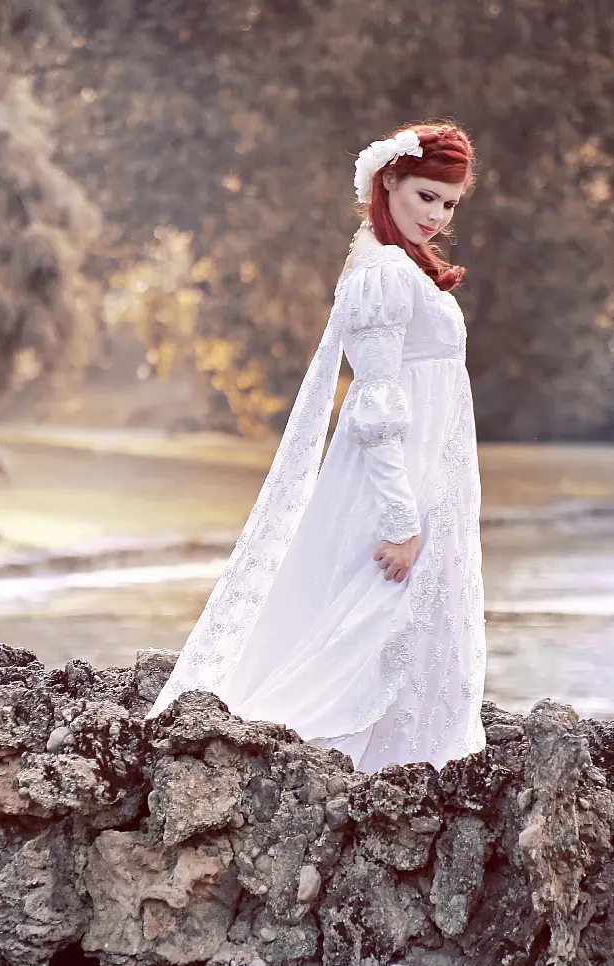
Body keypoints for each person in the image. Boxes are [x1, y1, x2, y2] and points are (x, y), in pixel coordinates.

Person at [146, 122, 486, 774]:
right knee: (369, 622)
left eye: (448, 205)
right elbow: (378, 404)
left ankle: (405, 762)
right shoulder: (381, 274)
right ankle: (324, 760)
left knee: (410, 624)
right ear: (387, 181)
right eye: (424, 197)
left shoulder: (402, 268)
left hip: (426, 472)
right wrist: (398, 517)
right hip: (394, 481)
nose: (435, 217)